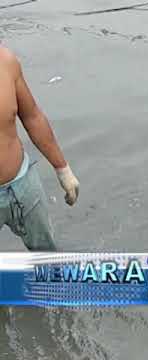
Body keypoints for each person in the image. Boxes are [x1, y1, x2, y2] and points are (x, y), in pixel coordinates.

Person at [0, 46, 79, 250]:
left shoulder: (6, 61)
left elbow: (32, 116)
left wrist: (63, 170)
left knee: (48, 255)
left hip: (22, 183)